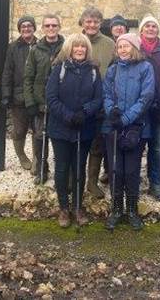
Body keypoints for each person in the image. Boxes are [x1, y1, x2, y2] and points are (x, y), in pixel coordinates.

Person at [45, 33, 103, 228]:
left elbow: (98, 98)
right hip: (60, 128)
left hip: (83, 129)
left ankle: (78, 206)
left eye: (83, 47)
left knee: (79, 167)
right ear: (69, 49)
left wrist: (85, 112)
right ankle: (63, 207)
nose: (80, 50)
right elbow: (51, 98)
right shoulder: (59, 69)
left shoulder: (93, 71)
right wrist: (69, 116)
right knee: (62, 168)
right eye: (76, 47)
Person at [103, 33, 155, 230]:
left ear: (134, 48)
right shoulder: (113, 69)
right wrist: (112, 112)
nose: (123, 50)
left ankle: (132, 209)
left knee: (132, 170)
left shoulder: (145, 68)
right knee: (116, 169)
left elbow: (146, 97)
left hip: (136, 128)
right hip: (113, 127)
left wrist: (125, 118)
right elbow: (106, 93)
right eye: (120, 46)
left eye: (126, 46)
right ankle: (116, 209)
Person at [24, 14, 65, 184]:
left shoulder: (67, 47)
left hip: (61, 102)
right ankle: (42, 169)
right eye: (47, 26)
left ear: (59, 27)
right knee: (40, 138)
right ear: (43, 28)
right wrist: (31, 102)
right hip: (40, 103)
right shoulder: (35, 50)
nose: (51, 29)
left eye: (54, 25)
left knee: (61, 138)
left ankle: (63, 172)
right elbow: (28, 78)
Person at [80, 7, 116, 199]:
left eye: (95, 22)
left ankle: (92, 182)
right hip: (79, 103)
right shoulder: (76, 42)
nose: (92, 25)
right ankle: (73, 178)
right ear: (83, 23)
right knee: (77, 143)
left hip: (102, 104)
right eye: (88, 21)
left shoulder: (110, 44)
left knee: (97, 145)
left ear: (100, 24)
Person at [138, 15, 160, 201]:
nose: (151, 29)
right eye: (147, 26)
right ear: (141, 30)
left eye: (154, 26)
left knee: (157, 147)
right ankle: (133, 180)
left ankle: (155, 182)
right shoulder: (136, 47)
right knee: (137, 144)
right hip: (140, 107)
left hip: (159, 107)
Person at [1, 16, 37, 170]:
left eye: (29, 25)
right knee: (19, 130)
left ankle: (37, 159)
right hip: (18, 97)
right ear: (19, 29)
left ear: (34, 28)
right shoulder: (13, 48)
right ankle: (22, 156)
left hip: (36, 96)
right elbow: (7, 72)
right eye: (23, 26)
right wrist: (6, 95)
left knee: (38, 130)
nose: (26, 28)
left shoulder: (40, 45)